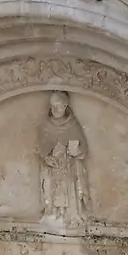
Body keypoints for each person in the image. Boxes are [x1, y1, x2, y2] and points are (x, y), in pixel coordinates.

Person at [37, 91, 90, 228]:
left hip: (69, 167)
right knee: (50, 187)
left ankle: (71, 216)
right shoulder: (46, 125)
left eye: (58, 106)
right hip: (52, 167)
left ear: (65, 105)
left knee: (69, 189)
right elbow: (40, 147)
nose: (54, 109)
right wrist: (46, 157)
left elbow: (83, 148)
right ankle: (52, 214)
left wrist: (77, 152)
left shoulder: (72, 125)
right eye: (52, 105)